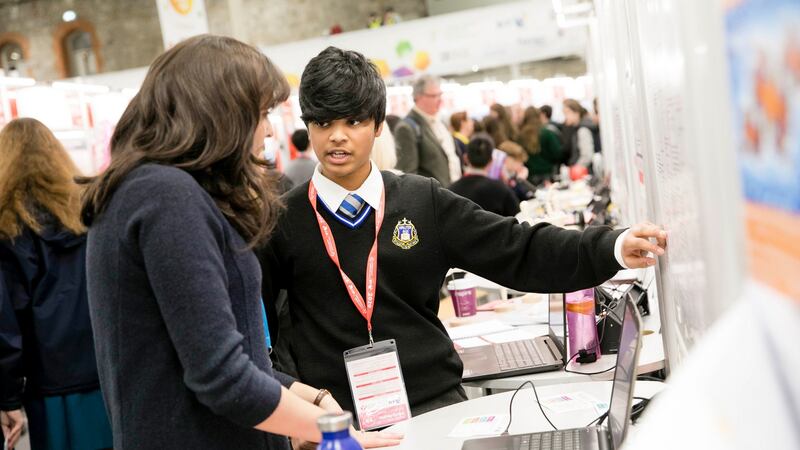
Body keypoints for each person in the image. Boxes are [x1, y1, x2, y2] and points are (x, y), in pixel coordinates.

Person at [260, 45, 668, 420]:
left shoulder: (421, 201)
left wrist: (611, 246)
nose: (337, 136)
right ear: (308, 126)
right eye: (323, 122)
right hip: (337, 419)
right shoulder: (281, 219)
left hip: (435, 403)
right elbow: (257, 336)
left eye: (354, 121)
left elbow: (515, 247)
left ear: (379, 124)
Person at [78, 36, 400, 450]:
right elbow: (221, 374)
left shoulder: (153, 191)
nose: (268, 130)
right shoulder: (166, 197)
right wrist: (332, 431)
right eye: (261, 114)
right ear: (222, 111)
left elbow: (222, 355)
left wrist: (310, 401)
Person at [0, 118, 113, 450]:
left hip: (52, 388)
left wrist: (8, 397)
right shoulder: (89, 215)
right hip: (106, 375)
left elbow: (6, 325)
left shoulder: (8, 229)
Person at [394, 75, 461, 187]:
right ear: (418, 97)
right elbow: (408, 177)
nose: (440, 100)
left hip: (452, 191)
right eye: (434, 96)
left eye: (440, 95)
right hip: (434, 195)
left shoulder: (440, 122)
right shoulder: (406, 128)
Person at [449, 134, 520, 217]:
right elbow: (518, 216)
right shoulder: (501, 190)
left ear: (466, 158)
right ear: (491, 160)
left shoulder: (451, 191)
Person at [517, 106, 563, 185]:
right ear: (539, 117)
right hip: (548, 174)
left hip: (529, 176)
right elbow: (558, 153)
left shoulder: (520, 135)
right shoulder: (547, 133)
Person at [563, 98, 595, 169]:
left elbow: (587, 156)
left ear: (576, 113)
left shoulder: (582, 130)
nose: (565, 117)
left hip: (583, 172)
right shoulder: (574, 129)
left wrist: (575, 170)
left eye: (567, 113)